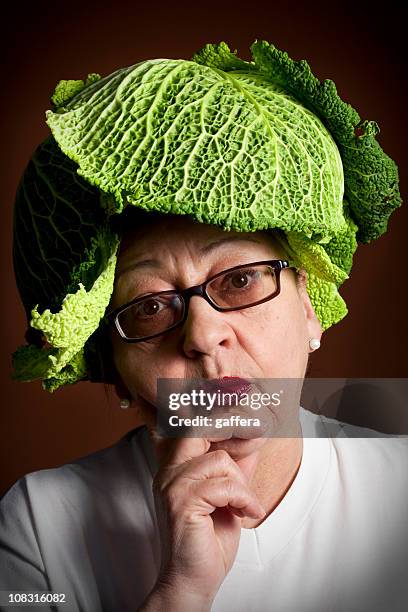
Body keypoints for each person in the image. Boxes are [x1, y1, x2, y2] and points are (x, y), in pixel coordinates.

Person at [1, 40, 406, 612]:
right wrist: (178, 594)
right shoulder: (37, 529)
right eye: (150, 308)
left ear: (310, 309)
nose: (201, 335)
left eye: (240, 280)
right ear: (115, 374)